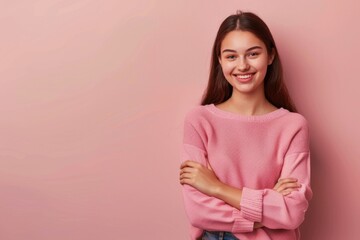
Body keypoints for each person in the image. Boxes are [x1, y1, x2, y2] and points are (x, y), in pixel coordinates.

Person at [179, 11, 312, 240]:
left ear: (270, 56)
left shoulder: (293, 125)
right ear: (220, 61)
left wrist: (217, 188)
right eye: (231, 56)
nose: (242, 66)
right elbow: (198, 211)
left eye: (252, 54)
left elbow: (292, 212)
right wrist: (268, 208)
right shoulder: (199, 121)